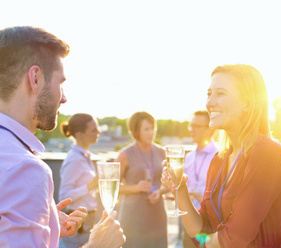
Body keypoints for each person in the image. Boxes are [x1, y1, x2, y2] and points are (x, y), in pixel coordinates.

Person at [0, 26, 125, 247]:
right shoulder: (25, 170)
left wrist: (44, 229)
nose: (64, 98)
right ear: (35, 78)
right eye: (61, 82)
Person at [161, 64, 281, 247]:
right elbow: (199, 230)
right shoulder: (219, 160)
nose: (209, 103)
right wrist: (180, 188)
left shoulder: (268, 154)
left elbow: (234, 239)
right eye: (209, 94)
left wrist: (205, 244)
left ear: (248, 102)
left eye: (220, 93)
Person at [116, 111, 168, 247]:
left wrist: (160, 192)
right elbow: (113, 188)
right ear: (136, 131)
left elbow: (171, 183)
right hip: (133, 218)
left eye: (153, 128)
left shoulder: (162, 152)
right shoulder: (124, 155)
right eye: (146, 129)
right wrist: (136, 188)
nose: (151, 132)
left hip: (157, 214)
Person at [58, 113, 101, 247]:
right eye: (93, 130)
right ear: (79, 134)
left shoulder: (84, 156)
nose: (98, 132)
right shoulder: (74, 159)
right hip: (78, 226)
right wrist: (90, 185)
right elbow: (63, 196)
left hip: (87, 221)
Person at [182, 110, 217, 248]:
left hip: (210, 223)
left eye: (197, 126)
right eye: (191, 125)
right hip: (189, 220)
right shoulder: (188, 157)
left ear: (210, 129)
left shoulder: (220, 156)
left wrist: (200, 196)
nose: (192, 130)